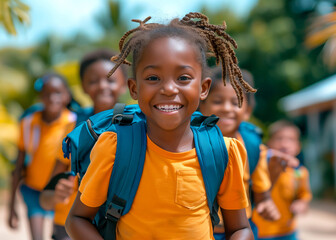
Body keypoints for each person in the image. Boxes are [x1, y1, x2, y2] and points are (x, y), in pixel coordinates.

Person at [66, 12, 255, 240]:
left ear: (203, 88)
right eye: (153, 78)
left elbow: (240, 229)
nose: (169, 89)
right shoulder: (114, 148)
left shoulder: (222, 152)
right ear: (134, 89)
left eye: (183, 78)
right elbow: (77, 219)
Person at [39, 49, 128, 240]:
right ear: (83, 86)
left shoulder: (137, 126)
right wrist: (55, 195)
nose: (103, 86)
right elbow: (44, 200)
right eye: (93, 81)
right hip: (67, 227)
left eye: (110, 80)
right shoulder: (74, 128)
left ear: (125, 85)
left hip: (117, 228)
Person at [199, 68, 298, 240]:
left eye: (235, 102)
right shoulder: (191, 144)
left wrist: (266, 203)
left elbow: (261, 194)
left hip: (242, 230)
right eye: (217, 101)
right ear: (200, 106)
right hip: (202, 232)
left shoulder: (253, 147)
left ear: (247, 111)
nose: (226, 108)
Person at [8, 73, 76, 240]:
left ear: (67, 96)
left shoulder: (74, 123)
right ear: (40, 97)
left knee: (60, 235)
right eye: (47, 94)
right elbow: (18, 167)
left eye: (58, 93)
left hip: (60, 194)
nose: (53, 98)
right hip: (33, 190)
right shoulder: (29, 123)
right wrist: (11, 207)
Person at [251, 120, 312, 240]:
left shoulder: (300, 173)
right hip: (259, 233)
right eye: (279, 139)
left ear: (298, 146)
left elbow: (304, 196)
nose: (284, 144)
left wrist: (301, 204)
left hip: (287, 232)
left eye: (291, 139)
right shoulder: (260, 167)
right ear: (269, 143)